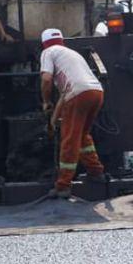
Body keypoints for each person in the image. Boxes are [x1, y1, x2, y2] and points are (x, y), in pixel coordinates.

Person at [40, 28, 105, 198]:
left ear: (44, 43)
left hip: (78, 95)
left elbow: (46, 80)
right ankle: (96, 172)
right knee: (82, 135)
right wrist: (53, 121)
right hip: (96, 92)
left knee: (69, 139)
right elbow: (64, 94)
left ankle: (63, 186)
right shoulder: (72, 54)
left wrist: (46, 101)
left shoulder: (48, 52)